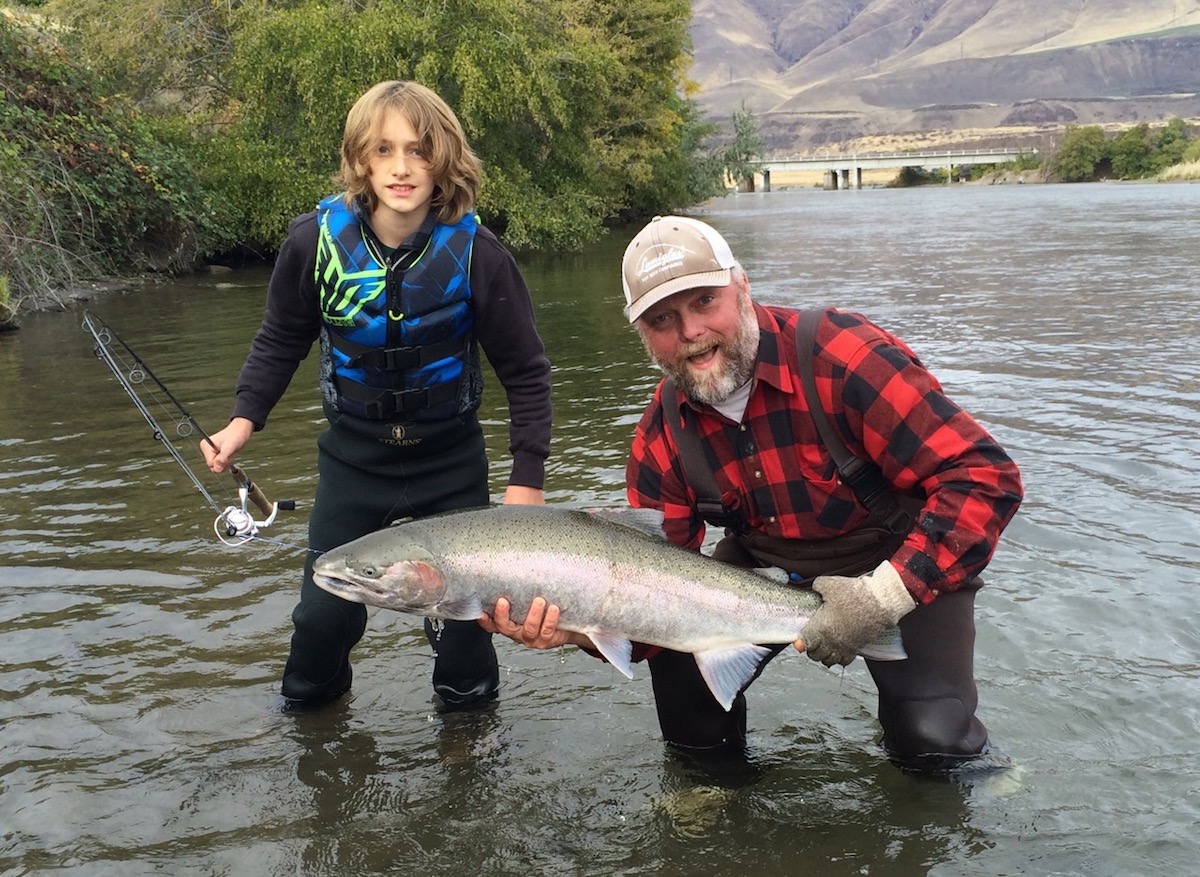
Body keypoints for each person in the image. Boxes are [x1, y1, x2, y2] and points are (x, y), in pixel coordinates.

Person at [483, 215, 1022, 771]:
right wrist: (575, 628)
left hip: (898, 559)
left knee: (933, 740)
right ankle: (718, 816)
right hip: (765, 562)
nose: (690, 332)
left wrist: (883, 597)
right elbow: (641, 594)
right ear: (641, 334)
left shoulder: (843, 357)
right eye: (662, 319)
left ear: (741, 287)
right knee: (687, 714)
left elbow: (984, 477)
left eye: (704, 302)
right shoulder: (660, 435)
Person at [201, 80, 552, 712]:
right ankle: (312, 726)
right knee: (320, 622)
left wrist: (525, 482)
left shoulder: (480, 255)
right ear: (361, 159)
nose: (401, 167)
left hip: (450, 465)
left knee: (466, 638)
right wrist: (241, 422)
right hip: (354, 463)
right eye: (384, 150)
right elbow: (281, 337)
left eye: (418, 151)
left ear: (442, 159)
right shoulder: (313, 243)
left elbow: (526, 372)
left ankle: (467, 744)